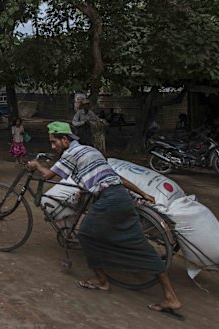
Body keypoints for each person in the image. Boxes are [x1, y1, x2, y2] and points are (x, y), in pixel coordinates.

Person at [26, 121, 183, 321]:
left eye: (54, 142)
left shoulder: (70, 154)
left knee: (85, 235)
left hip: (109, 200)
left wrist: (36, 165)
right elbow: (117, 177)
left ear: (65, 139)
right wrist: (144, 193)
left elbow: (49, 175)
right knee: (140, 245)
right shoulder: (91, 151)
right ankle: (170, 296)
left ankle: (101, 280)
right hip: (121, 197)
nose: (53, 146)